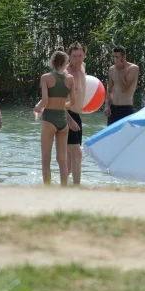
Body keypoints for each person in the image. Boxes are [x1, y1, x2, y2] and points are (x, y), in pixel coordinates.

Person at [34, 49, 77, 186]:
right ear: (66, 63)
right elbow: (72, 103)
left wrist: (37, 107)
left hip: (49, 120)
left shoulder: (46, 77)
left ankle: (48, 189)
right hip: (63, 123)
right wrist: (62, 104)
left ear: (52, 62)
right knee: (62, 159)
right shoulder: (70, 79)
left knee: (46, 160)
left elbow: (45, 101)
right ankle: (63, 188)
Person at [65, 43, 87, 185]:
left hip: (77, 116)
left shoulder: (83, 68)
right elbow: (58, 100)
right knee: (77, 153)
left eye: (80, 55)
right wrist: (69, 120)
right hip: (67, 115)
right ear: (69, 56)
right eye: (74, 56)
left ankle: (63, 185)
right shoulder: (67, 74)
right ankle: (77, 188)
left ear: (84, 55)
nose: (77, 59)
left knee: (70, 158)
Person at [105, 45, 139, 126]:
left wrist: (119, 71)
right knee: (111, 137)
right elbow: (110, 90)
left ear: (124, 57)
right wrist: (107, 105)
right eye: (114, 57)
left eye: (117, 57)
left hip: (126, 108)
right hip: (113, 108)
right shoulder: (112, 69)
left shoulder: (133, 68)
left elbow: (125, 88)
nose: (115, 59)